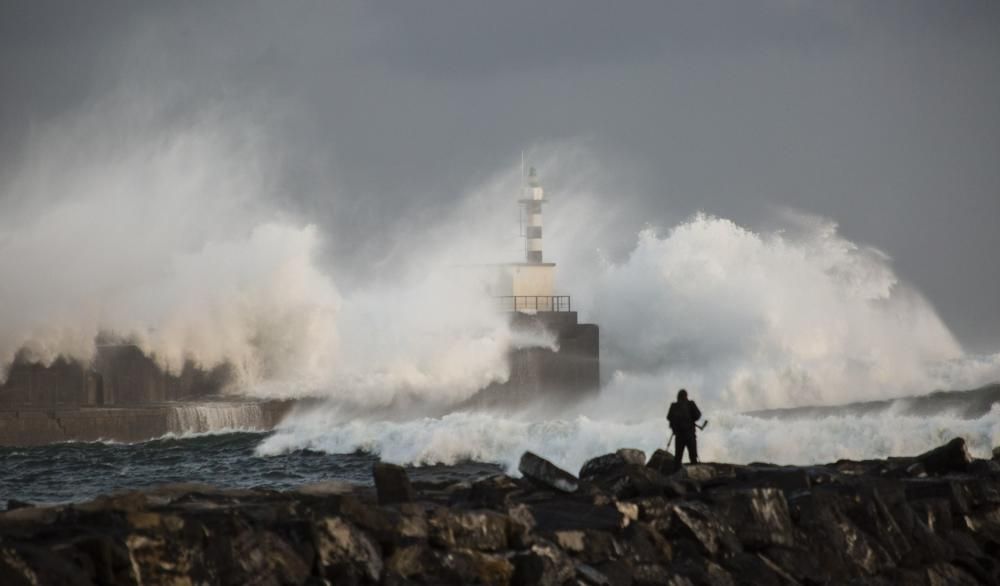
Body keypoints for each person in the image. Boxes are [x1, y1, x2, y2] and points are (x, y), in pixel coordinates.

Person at [666, 388, 702, 471]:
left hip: (679, 436)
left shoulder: (674, 406)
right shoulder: (690, 404)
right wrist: (691, 419)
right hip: (690, 435)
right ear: (686, 396)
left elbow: (668, 417)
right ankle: (696, 474)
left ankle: (675, 475)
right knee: (693, 456)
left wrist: (674, 426)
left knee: (678, 457)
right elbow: (698, 415)